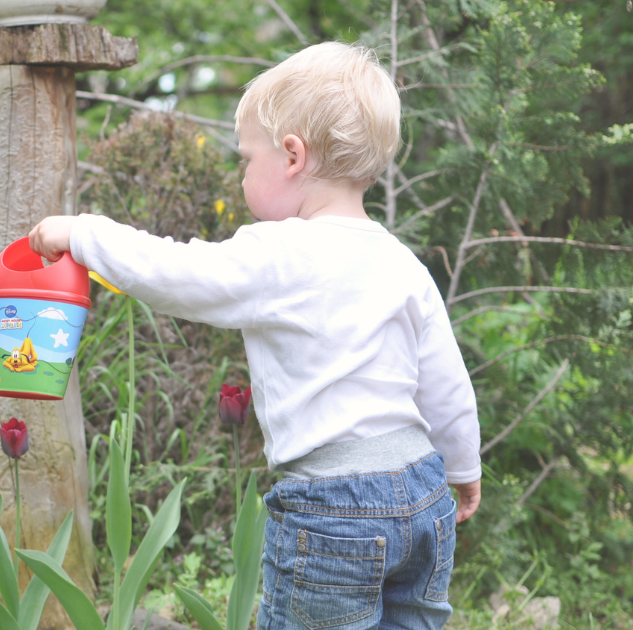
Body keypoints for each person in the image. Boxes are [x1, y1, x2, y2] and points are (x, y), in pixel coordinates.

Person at [27, 41, 481, 630]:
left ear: (292, 156)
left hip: (334, 508)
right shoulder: (402, 263)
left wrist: (82, 232)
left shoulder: (281, 253)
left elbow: (176, 273)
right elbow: (446, 382)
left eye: (246, 158)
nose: (242, 172)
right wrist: (463, 468)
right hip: (422, 494)